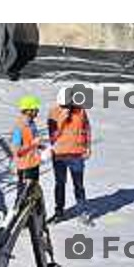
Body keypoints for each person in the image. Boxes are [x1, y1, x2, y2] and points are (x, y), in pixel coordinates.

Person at [47, 88, 92, 222]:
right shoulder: (53, 112)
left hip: (76, 155)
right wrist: (61, 120)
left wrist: (88, 147)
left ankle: (82, 212)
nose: (65, 107)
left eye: (67, 105)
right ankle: (59, 212)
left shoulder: (80, 111)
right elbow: (53, 136)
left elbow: (87, 129)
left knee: (78, 184)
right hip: (59, 155)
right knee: (60, 184)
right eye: (62, 105)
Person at [11, 95, 43, 200]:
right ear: (28, 110)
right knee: (23, 197)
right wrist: (33, 144)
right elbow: (17, 151)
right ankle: (17, 214)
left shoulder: (32, 124)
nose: (37, 111)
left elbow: (30, 142)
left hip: (33, 164)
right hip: (25, 167)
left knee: (32, 195)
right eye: (35, 109)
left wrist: (40, 146)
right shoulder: (18, 128)